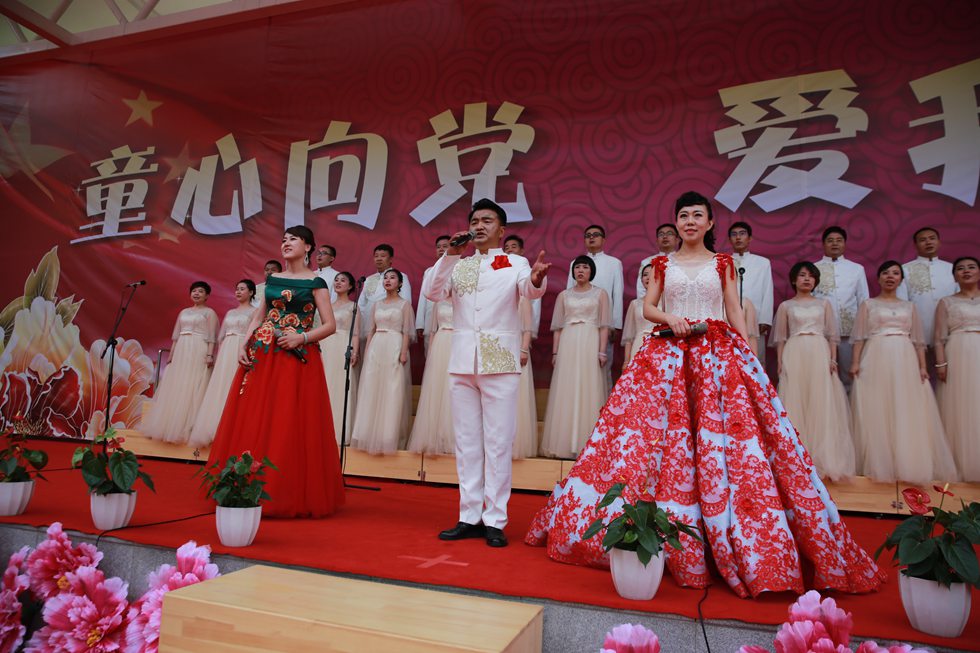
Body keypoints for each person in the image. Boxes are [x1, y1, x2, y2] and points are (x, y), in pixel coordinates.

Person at [526, 191, 885, 598]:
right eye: (684, 215)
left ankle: (729, 536)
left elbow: (733, 310)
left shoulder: (724, 263)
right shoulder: (661, 264)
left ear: (710, 223)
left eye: (698, 215)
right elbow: (648, 307)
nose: (690, 221)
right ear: (676, 223)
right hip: (669, 353)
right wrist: (670, 317)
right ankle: (652, 528)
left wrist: (747, 357)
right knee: (652, 438)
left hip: (717, 356)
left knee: (722, 442)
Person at [423, 198, 549, 548]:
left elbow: (529, 289)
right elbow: (432, 292)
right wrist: (449, 255)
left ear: (501, 229)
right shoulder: (458, 264)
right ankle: (469, 516)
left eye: (487, 221)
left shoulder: (516, 262)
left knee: (497, 443)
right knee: (466, 443)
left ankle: (495, 519)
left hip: (500, 361)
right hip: (463, 361)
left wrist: (537, 277)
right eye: (475, 221)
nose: (479, 226)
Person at [208, 226, 344, 518]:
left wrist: (301, 338)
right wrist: (244, 343)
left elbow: (330, 325)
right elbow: (259, 316)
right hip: (263, 353)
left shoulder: (316, 282)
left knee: (287, 418)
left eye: (293, 239)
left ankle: (283, 492)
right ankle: (243, 486)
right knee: (255, 415)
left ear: (308, 247)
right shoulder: (271, 279)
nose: (286, 243)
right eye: (283, 239)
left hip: (295, 356)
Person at [849, 261, 957, 484]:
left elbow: (918, 341)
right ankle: (879, 463)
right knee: (877, 405)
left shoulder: (910, 307)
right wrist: (856, 363)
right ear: (878, 278)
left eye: (895, 273)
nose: (890, 276)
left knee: (904, 406)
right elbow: (859, 338)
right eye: (886, 272)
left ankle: (905, 462)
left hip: (904, 356)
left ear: (901, 279)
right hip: (875, 354)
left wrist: (923, 367)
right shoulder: (868, 305)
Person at [772, 263, 855, 481]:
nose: (807, 279)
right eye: (802, 275)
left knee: (821, 401)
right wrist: (780, 362)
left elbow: (832, 336)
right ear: (793, 280)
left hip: (819, 350)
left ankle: (823, 459)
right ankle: (796, 461)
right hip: (795, 350)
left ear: (816, 281)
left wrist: (833, 359)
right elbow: (781, 338)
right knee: (796, 399)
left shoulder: (824, 304)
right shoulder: (786, 306)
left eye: (811, 276)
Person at [541, 255, 611, 459]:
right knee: (567, 387)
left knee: (588, 386)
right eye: (577, 267)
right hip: (568, 341)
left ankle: (586, 445)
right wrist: (555, 352)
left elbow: (604, 326)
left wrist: (602, 351)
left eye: (585, 267)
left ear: (591, 271)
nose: (581, 270)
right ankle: (564, 444)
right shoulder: (563, 295)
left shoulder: (601, 294)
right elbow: (557, 327)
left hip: (590, 339)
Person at [143, 281, 219, 444]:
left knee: (193, 383)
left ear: (207, 295)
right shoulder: (183, 312)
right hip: (182, 349)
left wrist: (209, 355)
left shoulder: (209, 313)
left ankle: (189, 427)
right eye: (194, 291)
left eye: (201, 291)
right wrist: (172, 354)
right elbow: (176, 336)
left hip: (199, 348)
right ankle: (170, 425)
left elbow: (212, 336)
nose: (196, 294)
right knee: (178, 383)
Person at [350, 269, 415, 455]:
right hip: (377, 346)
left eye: (392, 278)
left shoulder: (405, 305)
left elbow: (406, 332)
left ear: (400, 283)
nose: (388, 280)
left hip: (394, 344)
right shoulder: (376, 304)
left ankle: (388, 436)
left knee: (392, 388)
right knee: (372, 387)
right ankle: (366, 434)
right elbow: (370, 330)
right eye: (385, 278)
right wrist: (367, 351)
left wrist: (403, 352)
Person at [188, 279, 257, 448]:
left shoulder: (255, 312)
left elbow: (255, 334)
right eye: (237, 289)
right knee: (221, 386)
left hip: (242, 348)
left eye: (242, 289)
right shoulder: (230, 312)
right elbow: (221, 336)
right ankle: (215, 427)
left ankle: (235, 430)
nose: (238, 292)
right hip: (227, 349)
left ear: (251, 292)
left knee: (237, 385)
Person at [935, 256, 980, 481]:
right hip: (958, 353)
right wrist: (941, 364)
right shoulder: (946, 302)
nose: (966, 271)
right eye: (960, 268)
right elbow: (939, 338)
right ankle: (961, 463)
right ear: (954, 276)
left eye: (971, 267)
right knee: (961, 406)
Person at [812, 227, 869, 388]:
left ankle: (851, 402)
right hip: (821, 330)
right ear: (823, 244)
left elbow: (864, 300)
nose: (835, 244)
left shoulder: (857, 269)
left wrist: (864, 329)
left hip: (849, 329)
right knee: (823, 372)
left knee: (850, 372)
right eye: (830, 241)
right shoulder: (813, 269)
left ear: (845, 243)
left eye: (839, 240)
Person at [566, 226, 623, 383]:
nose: (591, 237)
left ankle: (603, 398)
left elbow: (617, 295)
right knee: (578, 365)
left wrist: (615, 325)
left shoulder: (614, 263)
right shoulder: (575, 263)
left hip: (604, 323)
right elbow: (568, 294)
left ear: (603, 240)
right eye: (588, 235)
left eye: (596, 235)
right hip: (577, 323)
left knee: (603, 365)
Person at [896, 227, 958, 349]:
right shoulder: (904, 269)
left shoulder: (952, 269)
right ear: (915, 245)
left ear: (939, 242)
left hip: (950, 328)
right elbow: (902, 303)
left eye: (932, 238)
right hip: (918, 328)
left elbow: (960, 299)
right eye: (923, 240)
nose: (928, 242)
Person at [407, 298, 454, 455]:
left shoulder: (464, 302)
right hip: (441, 343)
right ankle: (433, 437)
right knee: (437, 388)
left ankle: (451, 437)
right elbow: (433, 331)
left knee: (452, 389)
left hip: (456, 343)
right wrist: (432, 352)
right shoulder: (438, 304)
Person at [321, 272, 361, 445]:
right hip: (326, 346)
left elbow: (356, 333)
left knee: (340, 385)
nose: (338, 283)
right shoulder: (327, 306)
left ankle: (339, 431)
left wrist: (354, 351)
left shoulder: (354, 306)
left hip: (343, 346)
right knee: (325, 384)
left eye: (343, 280)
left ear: (350, 286)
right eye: (336, 280)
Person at [728, 221, 774, 366]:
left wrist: (764, 319)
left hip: (755, 319)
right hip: (729, 317)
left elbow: (767, 290)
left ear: (750, 238)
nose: (738, 238)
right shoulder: (724, 261)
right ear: (729, 239)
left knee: (756, 359)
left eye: (742, 234)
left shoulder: (762, 263)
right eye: (734, 234)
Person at [358, 244, 412, 337]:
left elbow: (406, 302)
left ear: (390, 259)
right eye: (376, 256)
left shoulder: (401, 276)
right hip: (367, 324)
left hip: (390, 326)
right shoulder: (369, 279)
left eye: (383, 256)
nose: (379, 259)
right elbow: (361, 304)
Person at [512, 296, 539, 459]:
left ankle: (516, 443)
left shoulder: (524, 300)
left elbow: (528, 328)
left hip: (516, 346)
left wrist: (523, 350)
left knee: (517, 395)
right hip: (498, 347)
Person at [416, 235, 451, 352]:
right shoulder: (429, 271)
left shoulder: (459, 268)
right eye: (438, 247)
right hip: (431, 317)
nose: (441, 249)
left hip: (450, 318)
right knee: (430, 351)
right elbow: (423, 297)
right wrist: (420, 323)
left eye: (445, 246)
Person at [504, 234, 542, 336]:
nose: (510, 250)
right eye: (506, 248)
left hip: (523, 326)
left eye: (514, 247)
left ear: (521, 251)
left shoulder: (530, 274)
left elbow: (535, 304)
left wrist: (532, 330)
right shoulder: (498, 272)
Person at [622, 264, 655, 366]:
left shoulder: (667, 303)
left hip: (661, 347)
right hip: (639, 346)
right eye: (645, 275)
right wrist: (626, 361)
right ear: (641, 280)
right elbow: (629, 337)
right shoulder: (635, 304)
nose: (648, 277)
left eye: (652, 274)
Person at [636, 223, 679, 298]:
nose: (665, 237)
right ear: (656, 241)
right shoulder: (646, 262)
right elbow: (641, 289)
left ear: (677, 240)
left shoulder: (684, 261)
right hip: (653, 303)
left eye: (669, 233)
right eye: (661, 234)